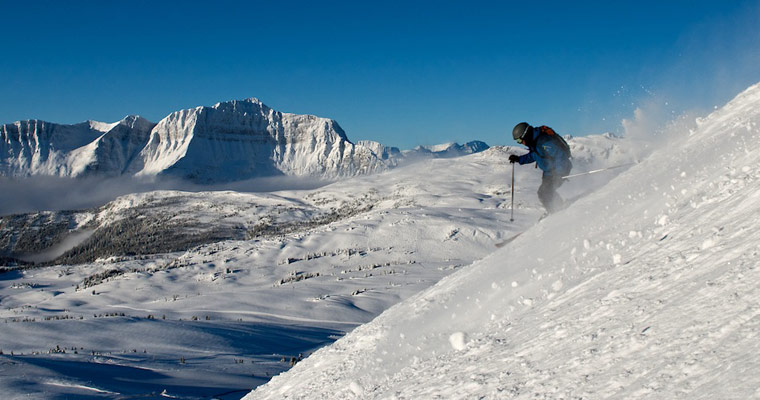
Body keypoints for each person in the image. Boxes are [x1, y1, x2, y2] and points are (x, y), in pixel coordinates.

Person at [509, 122, 572, 214]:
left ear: (525, 135)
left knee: (545, 193)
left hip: (558, 171)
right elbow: (534, 155)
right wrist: (519, 159)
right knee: (545, 193)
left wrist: (559, 173)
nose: (520, 143)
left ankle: (557, 212)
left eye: (519, 140)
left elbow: (560, 156)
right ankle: (558, 208)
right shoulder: (534, 142)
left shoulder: (543, 142)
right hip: (549, 172)